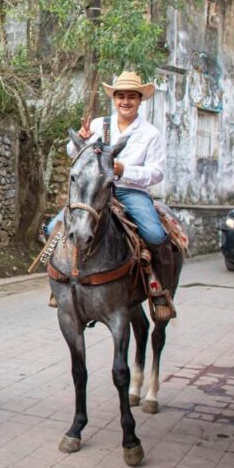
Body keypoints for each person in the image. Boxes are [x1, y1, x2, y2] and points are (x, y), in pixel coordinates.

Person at [65, 71, 178, 321]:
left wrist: (125, 170)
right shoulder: (99, 126)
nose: (125, 102)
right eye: (121, 97)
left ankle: (160, 292)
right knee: (54, 227)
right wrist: (79, 140)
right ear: (114, 99)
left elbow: (157, 172)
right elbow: (74, 153)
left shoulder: (150, 133)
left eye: (131, 97)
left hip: (131, 191)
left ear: (140, 100)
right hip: (95, 190)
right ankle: (62, 282)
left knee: (155, 235)